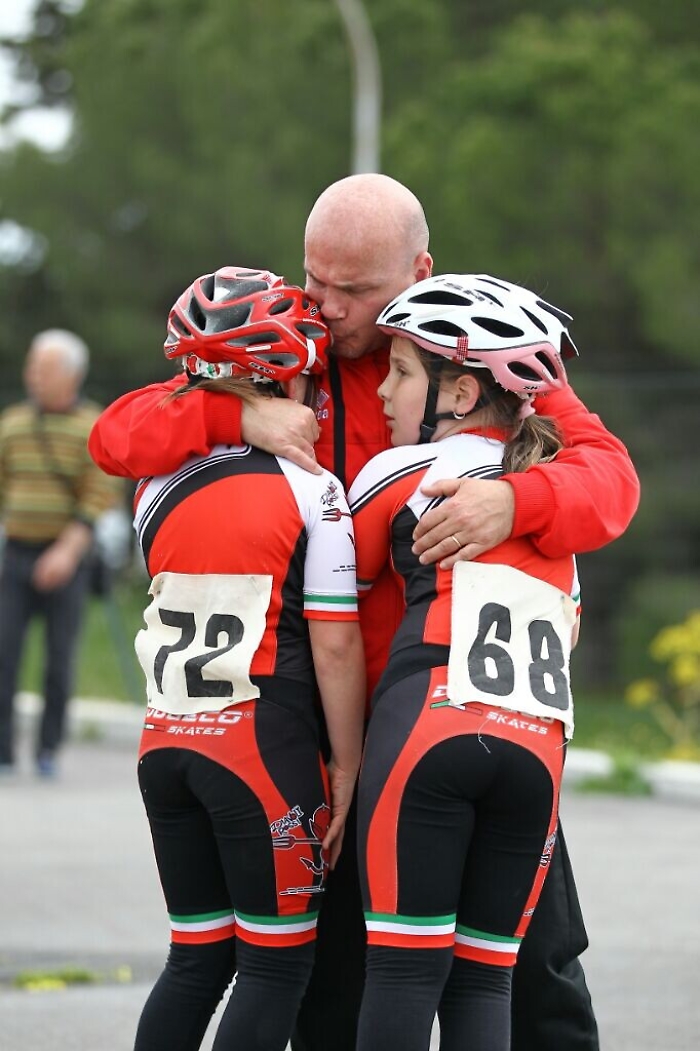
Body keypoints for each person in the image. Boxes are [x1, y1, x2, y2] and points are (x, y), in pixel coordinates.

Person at [88, 174, 640, 1051]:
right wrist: (233, 414)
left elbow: (610, 481)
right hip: (328, 731)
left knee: (533, 983)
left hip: (474, 708)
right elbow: (119, 433)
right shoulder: (284, 346)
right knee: (339, 992)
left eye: (356, 289)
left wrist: (517, 501)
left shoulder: (482, 346)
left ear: (420, 271)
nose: (330, 306)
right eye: (317, 280)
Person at [130, 266, 365, 1051]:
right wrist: (348, 762)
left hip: (166, 741)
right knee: (274, 968)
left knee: (195, 960)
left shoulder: (153, 479)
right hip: (261, 748)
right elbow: (334, 643)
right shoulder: (313, 488)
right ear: (285, 378)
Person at [349, 273, 585, 1051]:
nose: (384, 390)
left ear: (458, 393)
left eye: (401, 372)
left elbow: (331, 605)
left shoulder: (400, 471)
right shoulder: (550, 495)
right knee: (487, 980)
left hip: (432, 726)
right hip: (536, 748)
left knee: (403, 973)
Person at [0, 329, 116, 778]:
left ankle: (48, 748)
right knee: (5, 653)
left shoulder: (92, 426)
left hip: (69, 556)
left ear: (71, 376)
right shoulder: (12, 424)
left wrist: (66, 552)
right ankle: (3, 749)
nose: (33, 376)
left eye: (43, 369)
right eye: (32, 366)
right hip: (16, 553)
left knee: (59, 658)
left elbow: (99, 493)